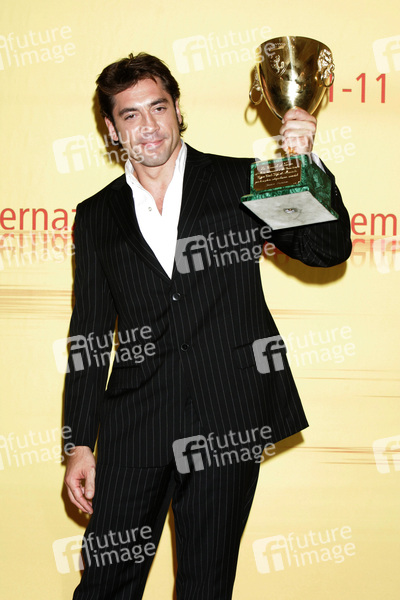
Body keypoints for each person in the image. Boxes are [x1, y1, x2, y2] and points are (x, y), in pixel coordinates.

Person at [64, 52, 352, 599]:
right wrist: (79, 443)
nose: (148, 125)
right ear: (111, 128)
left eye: (158, 108)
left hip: (228, 417)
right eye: (130, 115)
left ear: (177, 110)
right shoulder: (96, 214)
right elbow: (90, 335)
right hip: (135, 423)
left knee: (205, 586)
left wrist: (304, 164)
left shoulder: (241, 179)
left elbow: (326, 249)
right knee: (104, 585)